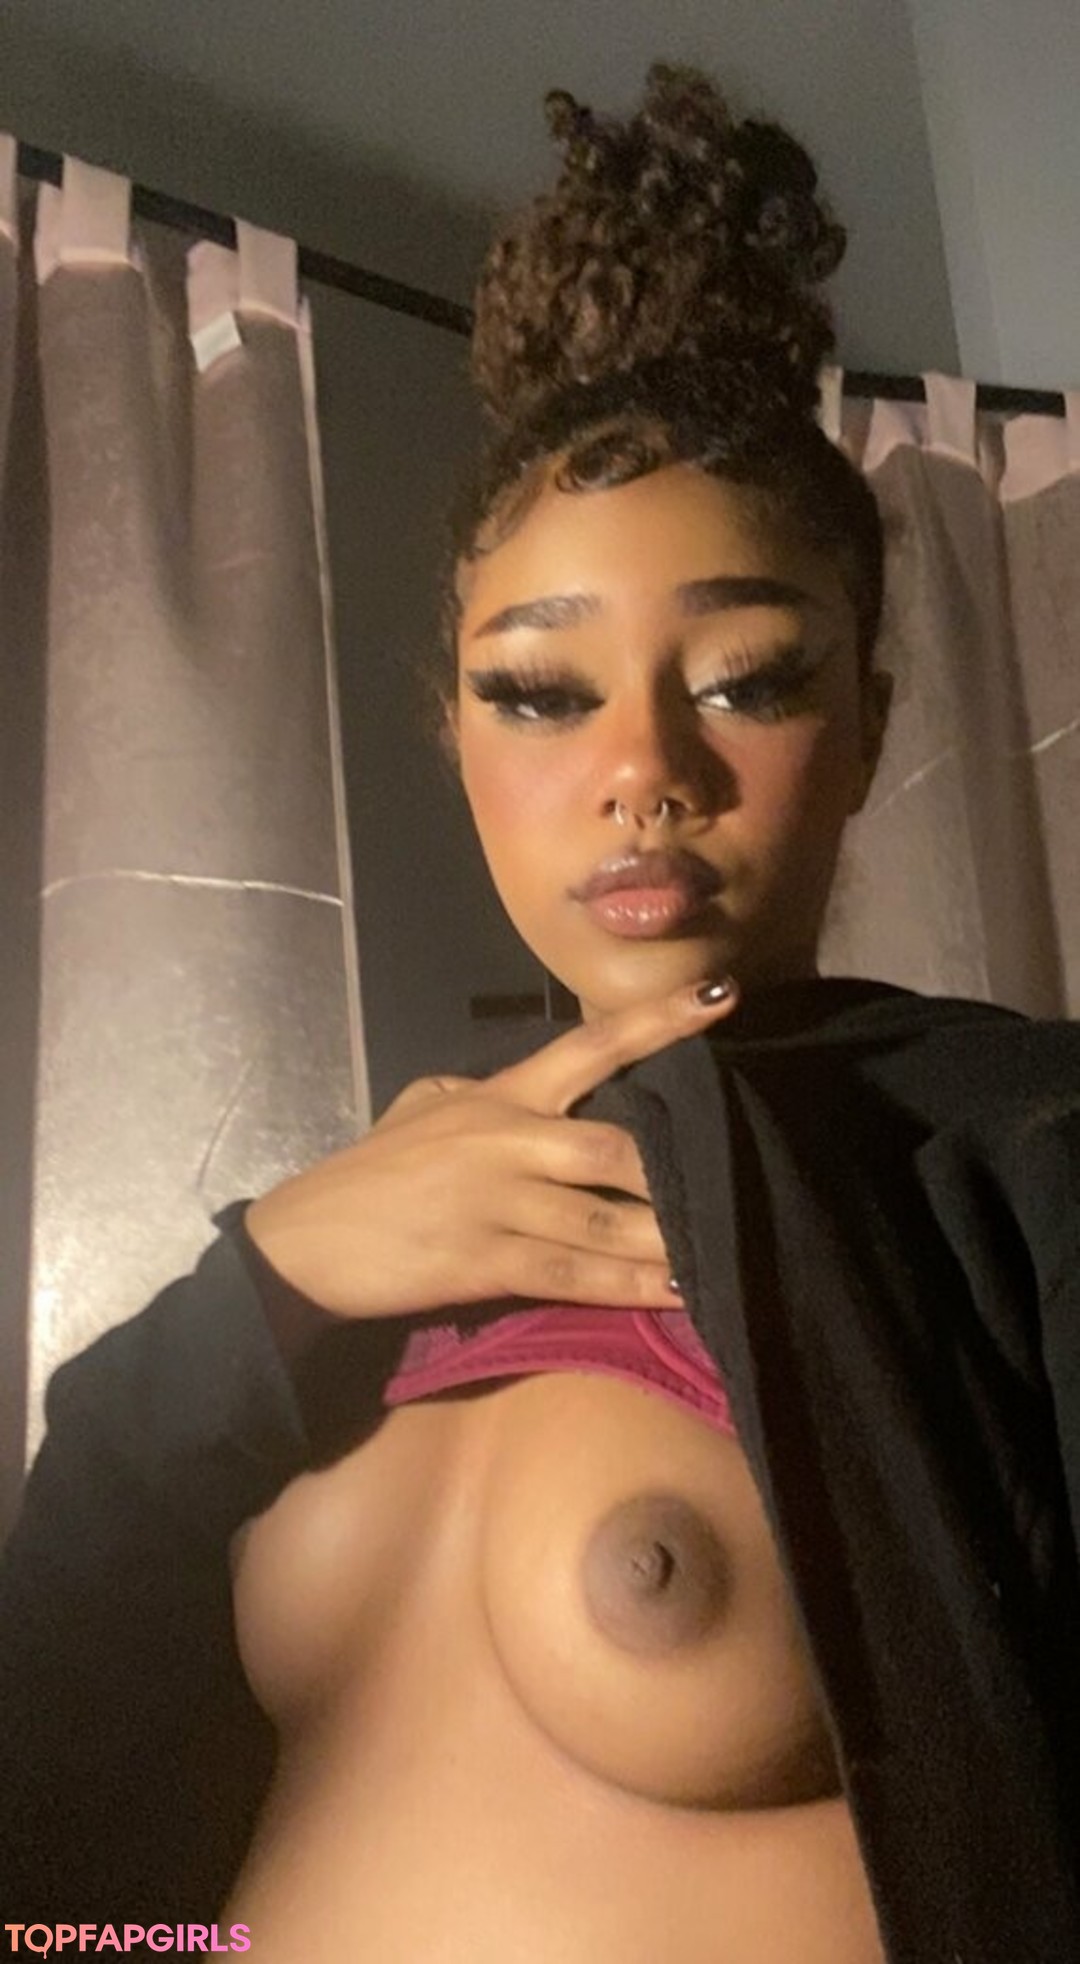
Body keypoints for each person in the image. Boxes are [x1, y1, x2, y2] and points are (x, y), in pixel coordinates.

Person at [1, 63, 1079, 1963]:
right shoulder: (357, 1240)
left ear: (869, 726)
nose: (644, 769)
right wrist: (253, 1291)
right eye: (540, 693)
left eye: (745, 679)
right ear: (455, 735)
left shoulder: (1014, 1153)